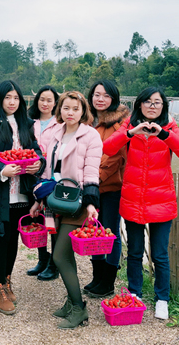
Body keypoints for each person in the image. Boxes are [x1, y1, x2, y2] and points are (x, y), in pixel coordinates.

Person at [103, 87, 179, 320]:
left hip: (161, 201)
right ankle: (135, 295)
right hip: (133, 200)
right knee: (134, 252)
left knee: (160, 255)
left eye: (157, 102)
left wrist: (164, 135)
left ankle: (162, 298)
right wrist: (131, 133)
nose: (152, 106)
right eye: (147, 102)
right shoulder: (129, 126)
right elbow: (108, 147)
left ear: (163, 106)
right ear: (139, 105)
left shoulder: (170, 128)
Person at [30, 90, 102, 329]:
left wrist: (91, 203)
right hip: (55, 200)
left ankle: (79, 309)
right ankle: (72, 303)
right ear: (59, 110)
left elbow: (92, 172)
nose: (70, 113)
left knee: (59, 255)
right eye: (66, 108)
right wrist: (39, 199)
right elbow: (48, 170)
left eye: (75, 109)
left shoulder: (90, 136)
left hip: (77, 202)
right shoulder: (56, 133)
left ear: (83, 112)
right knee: (65, 257)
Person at [0, 80, 43, 315]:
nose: (12, 102)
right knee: (1, 238)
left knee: (13, 237)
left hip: (22, 190)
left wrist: (38, 163)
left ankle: (7, 279)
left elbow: (36, 150)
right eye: (7, 98)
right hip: (0, 190)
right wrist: (1, 170)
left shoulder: (26, 124)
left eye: (16, 98)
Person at [83, 80, 130, 298]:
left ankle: (109, 281)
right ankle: (97, 277)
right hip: (91, 188)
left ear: (114, 99)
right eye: (96, 94)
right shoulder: (88, 122)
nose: (100, 99)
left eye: (106, 95)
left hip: (111, 187)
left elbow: (115, 157)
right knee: (94, 232)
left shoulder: (119, 124)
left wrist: (93, 180)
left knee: (109, 233)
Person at [26, 85, 60, 281]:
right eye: (42, 99)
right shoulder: (30, 123)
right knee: (36, 220)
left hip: (50, 180)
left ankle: (53, 264)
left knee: (51, 221)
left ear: (55, 103)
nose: (45, 103)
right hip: (32, 178)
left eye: (49, 100)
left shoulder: (60, 124)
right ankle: (42, 258)